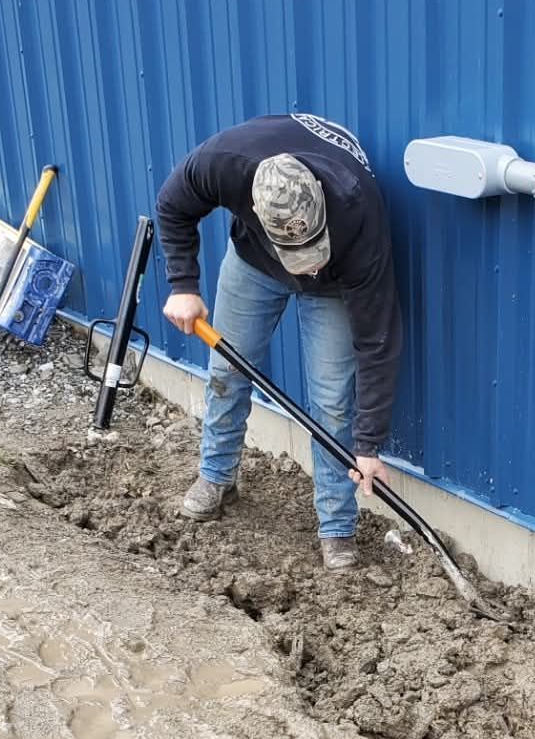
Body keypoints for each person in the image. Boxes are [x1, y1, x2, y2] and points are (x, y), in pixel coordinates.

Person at [155, 113, 403, 569]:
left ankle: (336, 528)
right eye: (298, 257)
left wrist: (368, 446)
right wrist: (183, 285)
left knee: (332, 402)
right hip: (255, 261)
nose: (306, 267)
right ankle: (216, 476)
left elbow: (378, 341)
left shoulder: (360, 217)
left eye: (311, 251)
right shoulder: (226, 163)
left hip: (336, 283)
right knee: (228, 370)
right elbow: (173, 205)